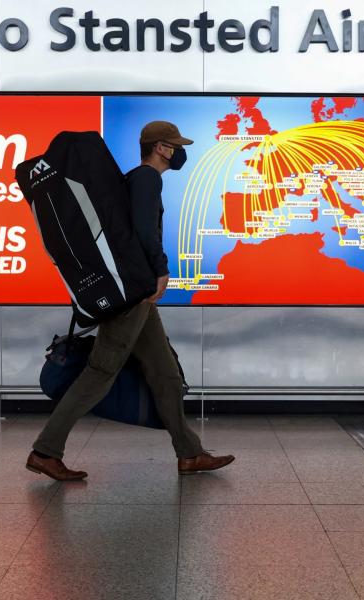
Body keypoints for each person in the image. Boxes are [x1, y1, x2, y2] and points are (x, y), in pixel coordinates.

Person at [26, 121, 235, 481]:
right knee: (101, 372)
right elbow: (143, 230)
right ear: (160, 148)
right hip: (133, 294)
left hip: (135, 296)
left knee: (165, 373)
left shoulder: (136, 179)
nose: (179, 151)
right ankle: (45, 451)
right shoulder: (146, 179)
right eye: (174, 145)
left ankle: (190, 453)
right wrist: (161, 269)